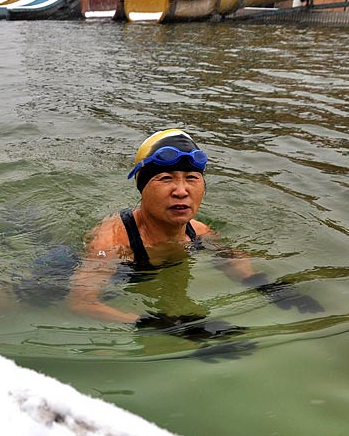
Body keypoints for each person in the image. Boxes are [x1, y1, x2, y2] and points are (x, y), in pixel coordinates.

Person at [67, 128, 322, 331]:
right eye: (166, 179)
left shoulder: (198, 231)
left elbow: (230, 259)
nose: (181, 190)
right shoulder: (113, 241)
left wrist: (268, 287)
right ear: (143, 188)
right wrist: (163, 327)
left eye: (191, 178)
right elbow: (81, 303)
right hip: (85, 270)